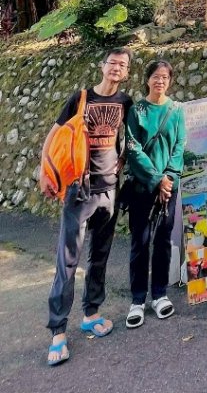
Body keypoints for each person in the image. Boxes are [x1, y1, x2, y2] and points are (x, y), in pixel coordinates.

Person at [40, 48, 132, 366]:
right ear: (102, 66)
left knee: (99, 258)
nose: (117, 69)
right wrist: (44, 171)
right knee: (67, 262)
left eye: (123, 65)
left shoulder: (125, 103)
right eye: (113, 63)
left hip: (110, 191)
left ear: (127, 72)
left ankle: (91, 312)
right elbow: (53, 137)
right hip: (79, 191)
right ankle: (58, 333)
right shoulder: (80, 99)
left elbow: (129, 139)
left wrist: (120, 162)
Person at [125, 59, 186, 328]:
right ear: (147, 79)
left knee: (162, 239)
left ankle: (159, 294)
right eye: (155, 76)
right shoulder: (137, 110)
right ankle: (137, 299)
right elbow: (133, 148)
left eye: (165, 77)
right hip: (142, 186)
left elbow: (179, 147)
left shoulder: (176, 111)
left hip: (168, 189)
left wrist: (169, 179)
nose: (160, 81)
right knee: (140, 241)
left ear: (169, 81)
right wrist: (156, 179)